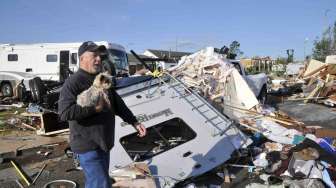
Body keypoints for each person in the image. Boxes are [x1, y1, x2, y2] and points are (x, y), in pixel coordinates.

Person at [58, 41, 146, 188]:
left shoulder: (102, 78)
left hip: (104, 143)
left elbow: (118, 104)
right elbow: (65, 113)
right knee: (101, 184)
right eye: (94, 55)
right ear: (82, 59)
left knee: (97, 182)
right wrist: (95, 109)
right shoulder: (73, 82)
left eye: (100, 56)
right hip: (88, 146)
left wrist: (134, 122)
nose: (99, 59)